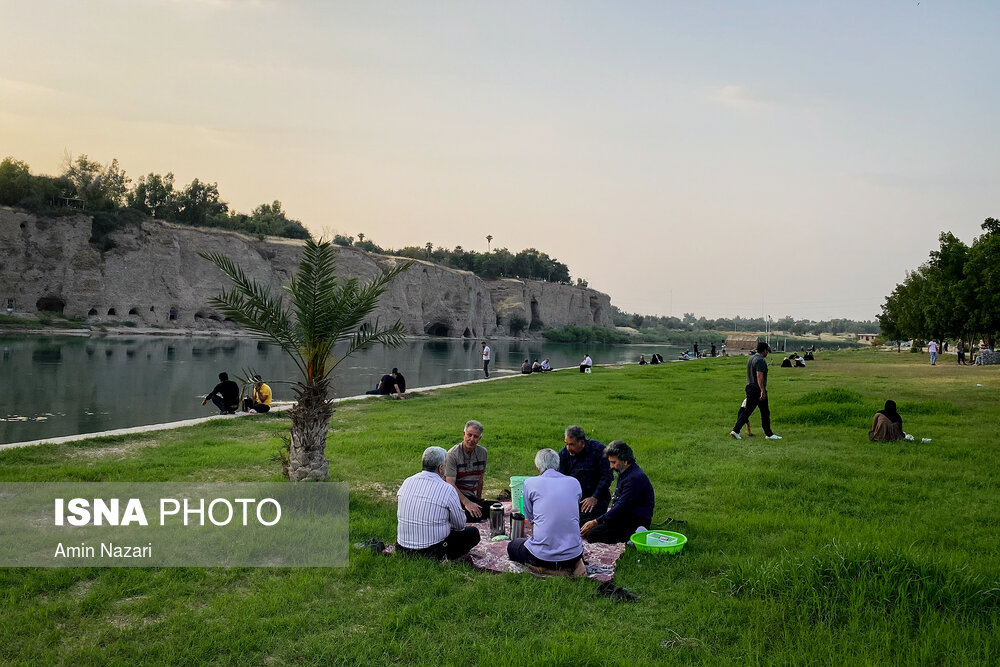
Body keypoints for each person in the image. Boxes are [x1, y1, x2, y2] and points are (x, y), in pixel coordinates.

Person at [507, 448, 587, 576]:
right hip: (574, 554)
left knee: (513, 546)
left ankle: (548, 570)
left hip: (542, 557)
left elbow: (529, 515)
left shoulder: (529, 483)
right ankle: (577, 563)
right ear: (558, 466)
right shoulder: (574, 482)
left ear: (538, 468)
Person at [396, 446, 480, 560]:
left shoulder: (407, 481)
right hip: (432, 551)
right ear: (441, 468)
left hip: (401, 548)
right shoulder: (447, 489)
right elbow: (459, 525)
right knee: (473, 533)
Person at [580, 441, 655, 544]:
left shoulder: (634, 478)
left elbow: (622, 506)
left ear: (625, 461)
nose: (611, 466)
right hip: (623, 515)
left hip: (634, 519)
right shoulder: (625, 472)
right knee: (583, 523)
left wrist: (596, 522)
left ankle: (636, 534)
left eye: (614, 462)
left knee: (593, 535)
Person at [558, 425, 613, 523]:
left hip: (596, 495)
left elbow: (607, 476)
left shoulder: (598, 450)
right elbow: (561, 479)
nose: (568, 448)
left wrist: (594, 497)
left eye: (571, 444)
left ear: (582, 443)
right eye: (566, 444)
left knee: (585, 521)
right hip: (574, 496)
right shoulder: (563, 454)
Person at [730, 342, 781, 440]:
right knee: (751, 412)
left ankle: (769, 433)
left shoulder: (751, 358)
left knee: (763, 411)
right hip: (757, 389)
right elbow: (759, 376)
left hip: (749, 386)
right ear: (764, 350)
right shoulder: (760, 360)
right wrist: (762, 390)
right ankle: (736, 430)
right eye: (767, 351)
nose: (767, 353)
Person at [444, 420, 492, 521]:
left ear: (479, 438)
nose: (472, 439)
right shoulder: (452, 455)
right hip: (455, 498)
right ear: (463, 435)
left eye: (475, 437)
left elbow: (480, 480)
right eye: (469, 435)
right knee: (473, 515)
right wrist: (467, 503)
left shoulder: (483, 453)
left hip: (471, 496)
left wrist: (478, 501)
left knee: (496, 507)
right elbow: (450, 484)